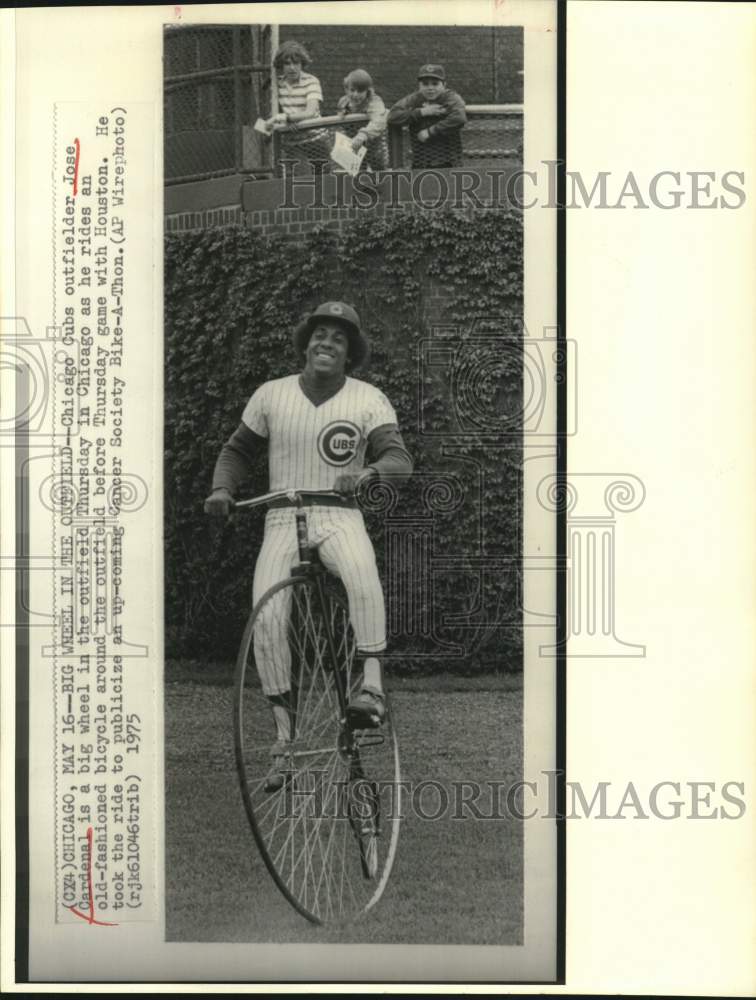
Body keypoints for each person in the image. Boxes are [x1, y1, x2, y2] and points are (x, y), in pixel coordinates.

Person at [204, 302, 413, 783]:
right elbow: (237, 450)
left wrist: (368, 471)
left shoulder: (368, 399)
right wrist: (222, 489)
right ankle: (284, 741)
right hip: (282, 517)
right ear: (305, 344)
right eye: (319, 335)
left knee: (362, 576)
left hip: (339, 515)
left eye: (338, 339)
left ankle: (372, 689)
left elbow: (398, 459)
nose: (326, 344)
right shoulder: (271, 395)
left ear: (349, 353)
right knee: (268, 613)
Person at [265, 39, 332, 167]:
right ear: (281, 65)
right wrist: (285, 123)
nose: (292, 68)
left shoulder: (311, 81)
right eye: (287, 63)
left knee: (323, 180)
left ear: (302, 63)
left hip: (315, 139)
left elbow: (310, 112)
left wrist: (286, 118)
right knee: (295, 181)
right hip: (292, 142)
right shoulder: (276, 84)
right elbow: (267, 118)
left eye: (296, 63)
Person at [387, 63, 467, 168]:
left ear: (444, 85)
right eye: (425, 84)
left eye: (435, 84)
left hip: (449, 161)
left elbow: (459, 117)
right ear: (419, 85)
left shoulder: (450, 97)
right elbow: (392, 116)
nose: (430, 88)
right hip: (421, 161)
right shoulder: (415, 99)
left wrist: (431, 131)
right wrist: (421, 112)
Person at [336, 68, 389, 172]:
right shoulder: (343, 102)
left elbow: (379, 120)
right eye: (352, 90)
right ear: (346, 89)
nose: (355, 95)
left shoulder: (374, 101)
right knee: (355, 172)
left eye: (360, 91)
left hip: (374, 145)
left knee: (380, 172)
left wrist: (363, 134)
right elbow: (340, 120)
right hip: (353, 145)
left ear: (367, 91)